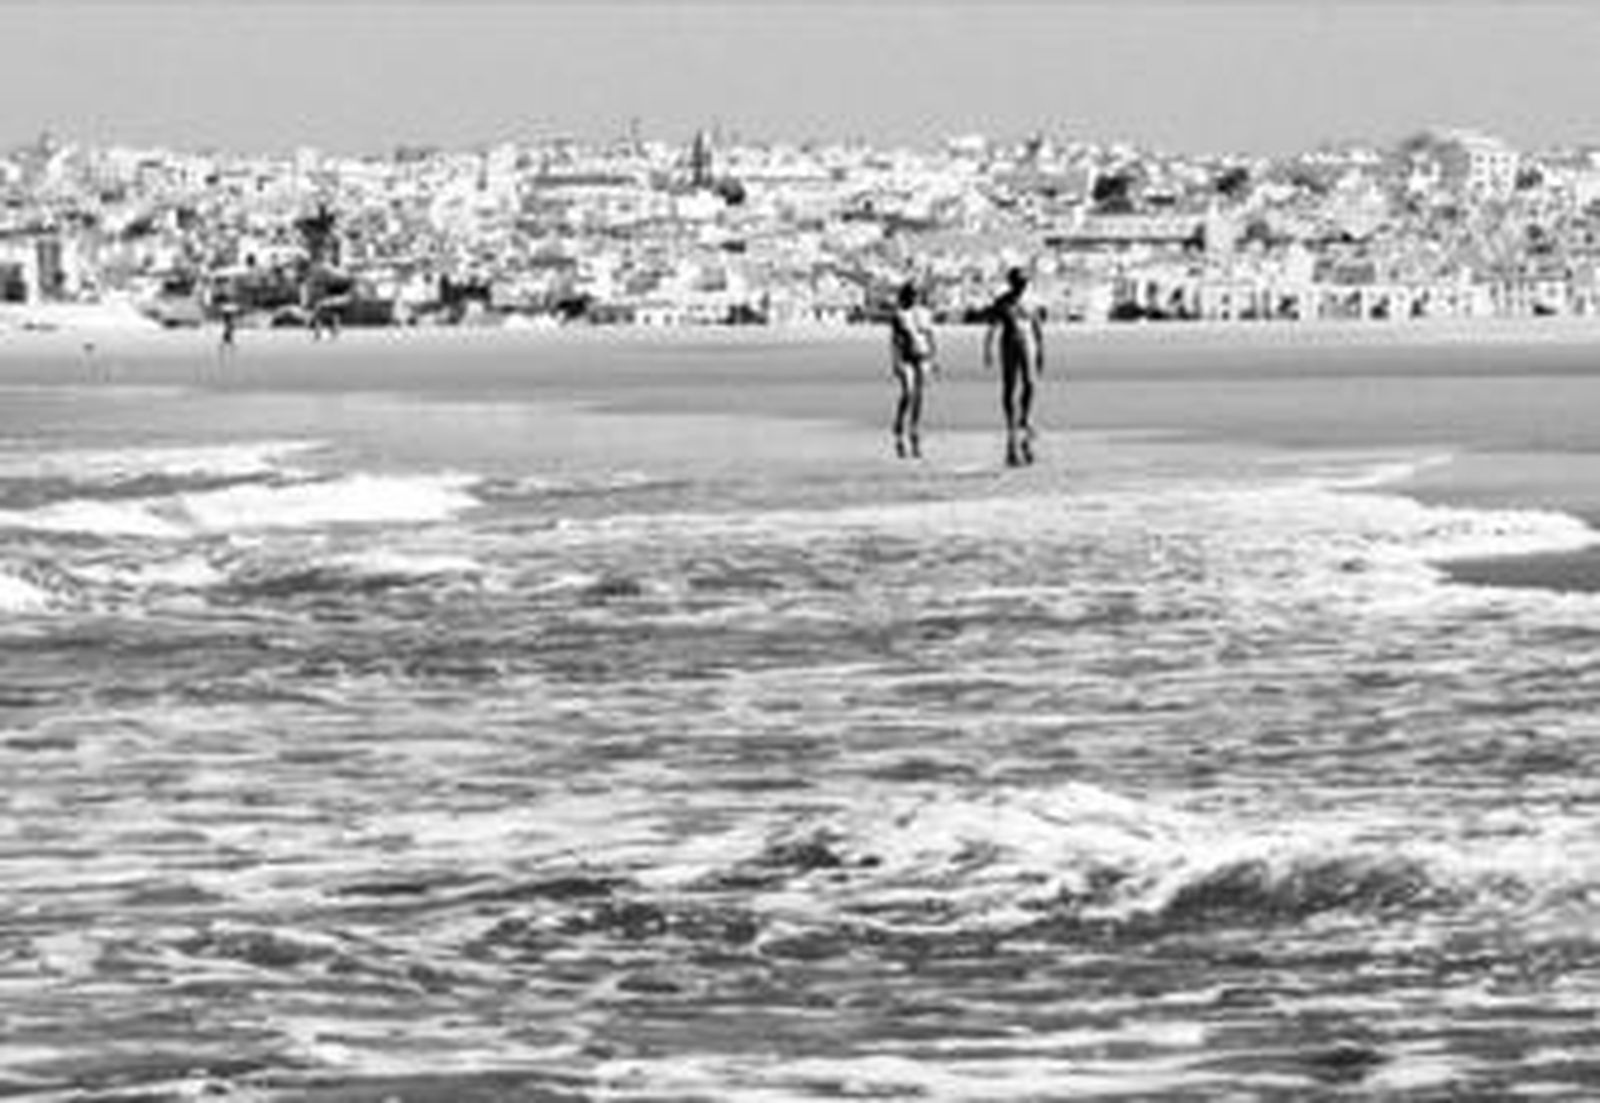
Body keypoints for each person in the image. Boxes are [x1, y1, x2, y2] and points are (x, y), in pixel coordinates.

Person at [983, 266, 1046, 466]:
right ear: (1012, 283)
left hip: (1028, 344)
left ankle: (1025, 417)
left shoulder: (1031, 301)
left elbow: (1037, 327)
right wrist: (988, 349)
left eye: (1024, 283)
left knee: (1030, 384)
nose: (1021, 286)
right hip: (1009, 344)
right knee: (1010, 388)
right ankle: (1012, 424)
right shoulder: (1002, 302)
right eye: (1018, 283)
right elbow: (993, 327)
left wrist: (1041, 351)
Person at [887, 281, 937, 458]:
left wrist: (934, 358)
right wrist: (896, 361)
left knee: (919, 396)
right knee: (907, 393)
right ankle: (899, 425)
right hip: (907, 358)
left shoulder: (925, 314)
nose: (914, 297)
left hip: (922, 357)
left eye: (916, 294)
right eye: (911, 294)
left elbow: (930, 335)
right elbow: (895, 341)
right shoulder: (899, 315)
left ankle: (915, 428)